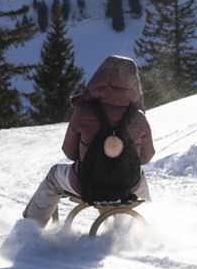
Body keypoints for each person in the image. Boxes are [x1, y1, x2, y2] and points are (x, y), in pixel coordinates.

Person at [22, 55, 155, 227]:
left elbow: (69, 152)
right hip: (127, 187)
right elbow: (145, 157)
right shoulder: (139, 117)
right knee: (139, 176)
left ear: (100, 77)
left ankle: (30, 228)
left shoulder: (84, 111)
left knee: (54, 175)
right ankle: (140, 229)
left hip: (86, 184)